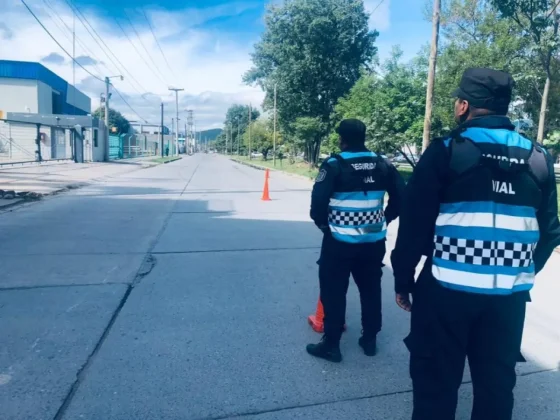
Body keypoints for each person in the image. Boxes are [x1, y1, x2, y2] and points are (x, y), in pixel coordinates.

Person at [391, 68, 560, 420]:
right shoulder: (538, 157)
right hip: (507, 301)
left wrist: (403, 280)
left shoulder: (446, 150)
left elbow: (414, 226)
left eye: (458, 101)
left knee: (435, 388)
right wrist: (521, 271)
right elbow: (550, 232)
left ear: (464, 106)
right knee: (496, 388)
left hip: (446, 293)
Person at [307, 118, 405, 363]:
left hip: (339, 242)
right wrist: (385, 219)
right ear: (363, 136)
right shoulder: (383, 163)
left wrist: (325, 227)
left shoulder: (334, 164)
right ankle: (370, 340)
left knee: (333, 291)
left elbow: (318, 204)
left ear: (342, 138)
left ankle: (331, 345)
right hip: (373, 242)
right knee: (371, 289)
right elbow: (401, 197)